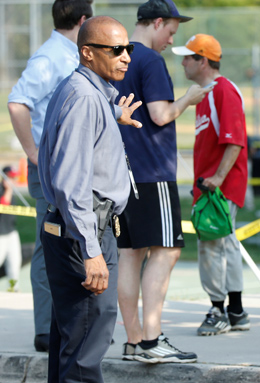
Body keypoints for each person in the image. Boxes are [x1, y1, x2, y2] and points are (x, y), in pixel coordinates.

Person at [37, 15, 141, 383]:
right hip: (83, 233)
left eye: (127, 48)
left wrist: (115, 115)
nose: (125, 56)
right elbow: (71, 182)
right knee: (84, 350)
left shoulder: (87, 93)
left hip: (82, 230)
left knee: (74, 342)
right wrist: (91, 249)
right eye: (115, 49)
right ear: (87, 53)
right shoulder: (83, 98)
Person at [112, 0, 207, 364]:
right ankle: (152, 340)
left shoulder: (119, 56)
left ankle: (134, 340)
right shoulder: (151, 61)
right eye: (170, 30)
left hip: (123, 172)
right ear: (155, 23)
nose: (170, 39)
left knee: (130, 254)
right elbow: (160, 113)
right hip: (153, 171)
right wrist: (188, 98)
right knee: (167, 250)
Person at [7, 0, 94, 352]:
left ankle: (73, 323)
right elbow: (17, 102)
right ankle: (47, 328)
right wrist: (32, 152)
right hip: (51, 166)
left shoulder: (71, 55)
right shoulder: (50, 58)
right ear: (84, 20)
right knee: (50, 244)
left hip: (72, 165)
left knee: (75, 241)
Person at [172, 34, 250, 336]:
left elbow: (235, 142)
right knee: (224, 243)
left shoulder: (223, 92)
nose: (183, 62)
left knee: (212, 245)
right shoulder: (205, 93)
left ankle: (219, 309)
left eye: (188, 57)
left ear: (203, 61)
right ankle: (236, 310)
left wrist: (217, 179)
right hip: (211, 184)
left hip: (219, 187)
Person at [0, 166, 22, 292]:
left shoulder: (12, 191)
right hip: (1, 234)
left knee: (14, 263)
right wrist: (7, 190)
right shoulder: (2, 190)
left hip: (12, 232)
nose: (13, 180)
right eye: (11, 177)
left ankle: (14, 288)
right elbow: (3, 205)